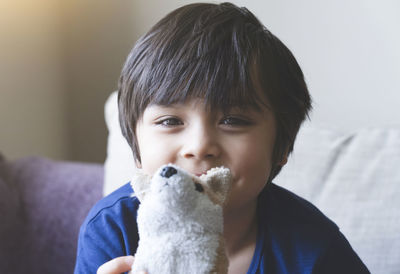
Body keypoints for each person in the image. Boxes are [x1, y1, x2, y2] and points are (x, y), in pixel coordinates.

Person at [74, 2, 369, 273]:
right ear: (136, 147)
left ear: (284, 145)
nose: (200, 146)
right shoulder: (114, 229)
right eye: (170, 121)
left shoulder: (313, 246)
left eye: (233, 121)